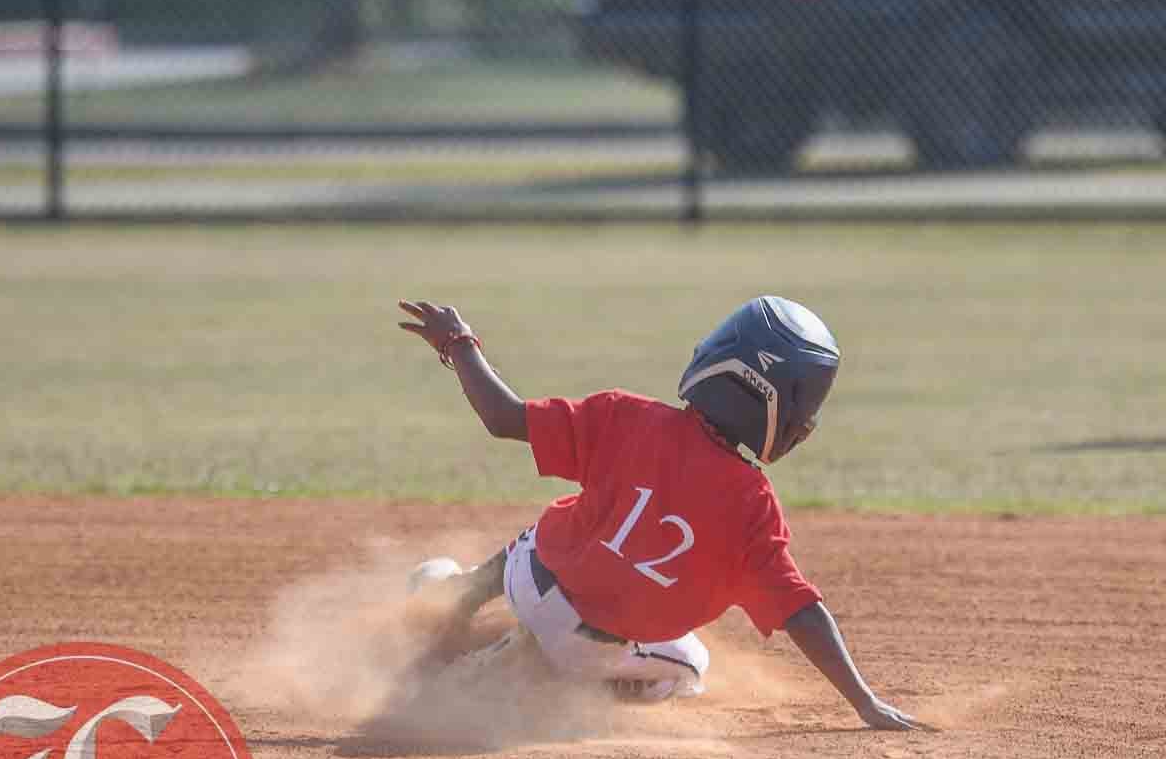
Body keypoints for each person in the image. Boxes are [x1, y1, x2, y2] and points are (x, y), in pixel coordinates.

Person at [396, 293, 929, 731]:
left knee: (561, 523)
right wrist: (864, 702)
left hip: (530, 581)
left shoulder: (625, 417)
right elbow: (801, 612)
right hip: (589, 649)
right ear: (786, 417)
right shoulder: (752, 506)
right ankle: (548, 683)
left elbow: (502, 417)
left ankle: (461, 593)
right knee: (691, 668)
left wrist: (458, 342)